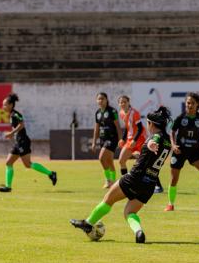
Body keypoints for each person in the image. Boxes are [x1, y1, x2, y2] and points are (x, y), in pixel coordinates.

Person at [71, 107, 173, 243]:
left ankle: (88, 223)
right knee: (129, 212)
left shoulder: (155, 137)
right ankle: (138, 232)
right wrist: (139, 154)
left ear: (151, 124)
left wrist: (150, 144)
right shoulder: (167, 140)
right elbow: (152, 156)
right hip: (149, 184)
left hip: (134, 178)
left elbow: (153, 142)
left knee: (108, 199)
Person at [165, 92, 199, 211]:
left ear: (197, 105)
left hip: (194, 151)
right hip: (179, 151)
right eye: (188, 103)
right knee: (174, 179)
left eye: (192, 103)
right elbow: (172, 131)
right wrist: (173, 145)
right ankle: (170, 204)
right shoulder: (180, 117)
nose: (189, 105)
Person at [0, 93, 57, 192]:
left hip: (23, 142)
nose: (3, 107)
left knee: (28, 164)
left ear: (11, 105)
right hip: (18, 142)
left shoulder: (15, 114)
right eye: (3, 105)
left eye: (5, 105)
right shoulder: (11, 115)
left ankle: (51, 174)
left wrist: (11, 133)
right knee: (8, 162)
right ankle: (8, 187)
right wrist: (13, 134)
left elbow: (22, 124)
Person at [91, 92, 122, 188]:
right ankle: (113, 181)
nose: (100, 101)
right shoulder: (97, 113)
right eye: (98, 99)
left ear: (106, 100)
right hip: (102, 139)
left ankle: (108, 180)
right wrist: (94, 142)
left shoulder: (112, 111)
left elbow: (118, 126)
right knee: (109, 161)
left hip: (112, 138)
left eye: (102, 99)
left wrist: (120, 139)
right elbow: (96, 128)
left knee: (101, 158)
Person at [117, 95, 146, 177]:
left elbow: (140, 128)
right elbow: (127, 127)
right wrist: (123, 139)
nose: (123, 104)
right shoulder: (121, 113)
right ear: (119, 104)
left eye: (125, 102)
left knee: (142, 164)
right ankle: (125, 181)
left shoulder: (134, 113)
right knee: (121, 161)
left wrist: (135, 140)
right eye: (121, 102)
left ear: (128, 102)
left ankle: (155, 184)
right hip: (130, 140)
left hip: (139, 139)